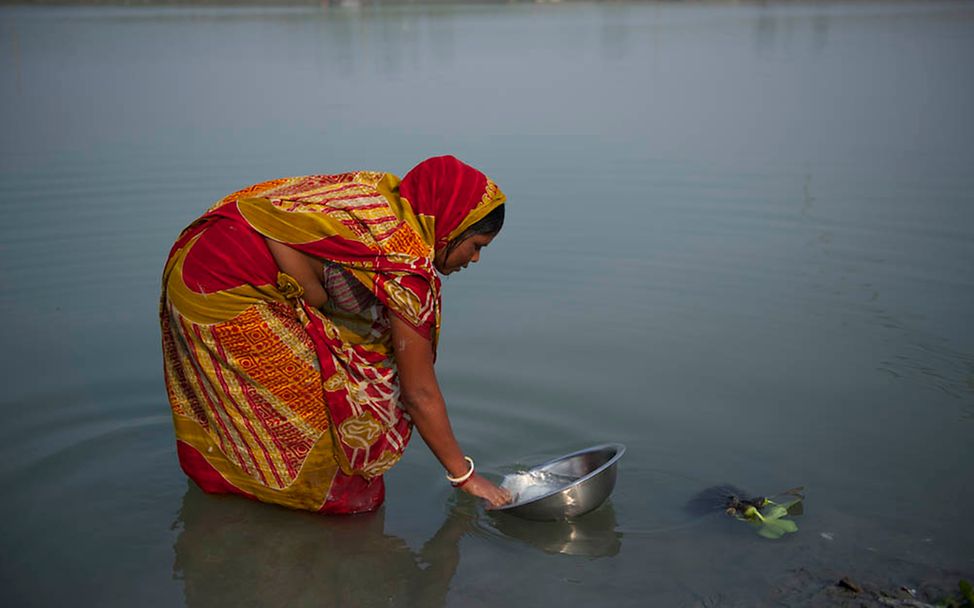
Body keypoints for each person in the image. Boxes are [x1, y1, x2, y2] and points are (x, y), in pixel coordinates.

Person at [160, 155, 512, 514]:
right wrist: (464, 476)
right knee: (329, 446)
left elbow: (269, 213)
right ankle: (283, 514)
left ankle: (239, 496)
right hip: (224, 282)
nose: (475, 259)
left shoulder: (382, 194)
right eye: (477, 245)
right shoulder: (405, 267)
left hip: (203, 251)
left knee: (283, 400)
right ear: (451, 227)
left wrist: (313, 293)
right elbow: (419, 392)